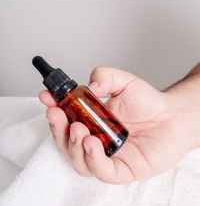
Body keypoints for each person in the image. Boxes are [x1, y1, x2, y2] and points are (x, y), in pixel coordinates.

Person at [39, 64, 200, 184]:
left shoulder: (80, 92)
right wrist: (178, 112)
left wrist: (183, 123)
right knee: (75, 128)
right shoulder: (71, 100)